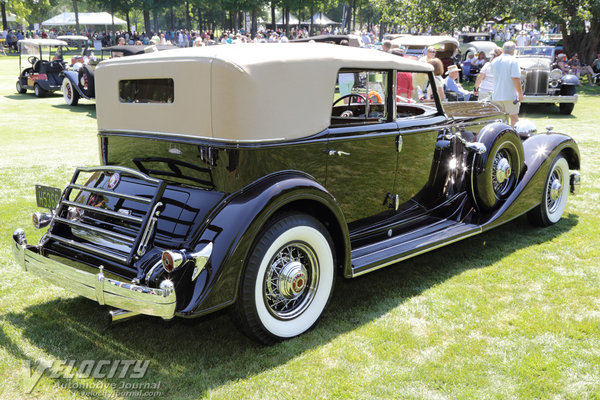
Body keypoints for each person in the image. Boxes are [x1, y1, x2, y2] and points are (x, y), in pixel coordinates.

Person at [491, 41, 523, 126]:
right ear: (513, 50)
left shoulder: (494, 61)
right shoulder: (513, 61)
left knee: (499, 120)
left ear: (503, 49)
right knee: (514, 119)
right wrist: (520, 94)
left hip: (496, 95)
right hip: (510, 95)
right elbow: (516, 78)